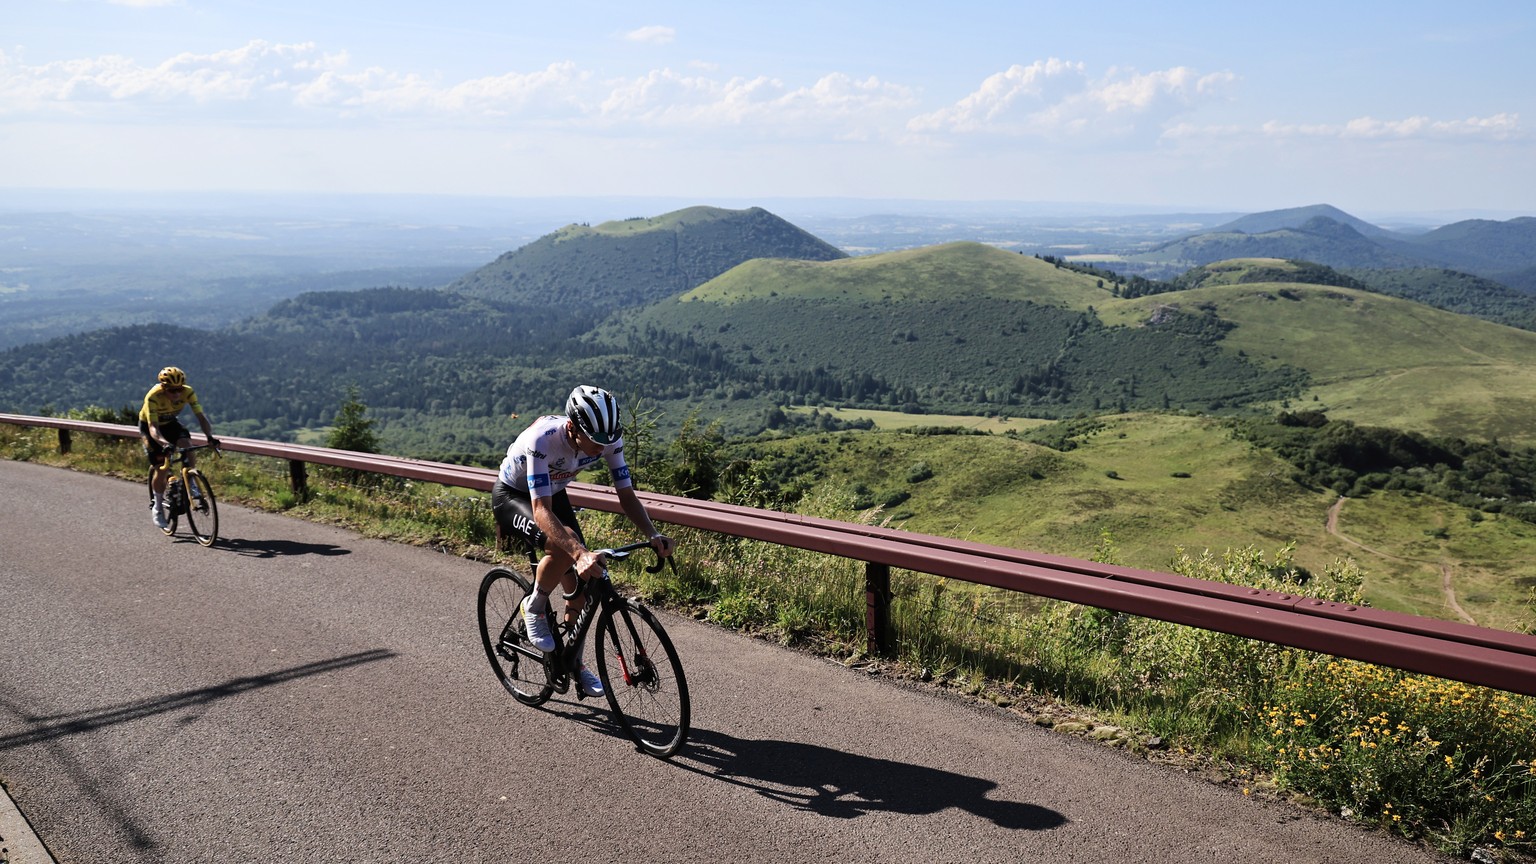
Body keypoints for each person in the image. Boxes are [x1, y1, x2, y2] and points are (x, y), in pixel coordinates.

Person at [491, 385, 674, 698]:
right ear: (573, 428)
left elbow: (626, 496)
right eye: (595, 441)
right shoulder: (543, 440)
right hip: (515, 495)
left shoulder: (609, 439)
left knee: (582, 588)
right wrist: (577, 552)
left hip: (554, 491)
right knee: (568, 545)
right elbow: (540, 510)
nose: (601, 448)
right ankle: (532, 606)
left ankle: (572, 664)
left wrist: (652, 534)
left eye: (607, 441)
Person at [140, 366, 219, 530]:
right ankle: (158, 507)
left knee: (187, 445)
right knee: (161, 468)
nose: (177, 394)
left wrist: (210, 437)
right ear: (163, 387)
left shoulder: (188, 392)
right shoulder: (153, 397)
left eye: (179, 389)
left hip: (170, 424)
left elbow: (201, 416)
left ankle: (191, 480)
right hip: (151, 428)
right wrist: (164, 444)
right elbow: (153, 427)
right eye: (172, 390)